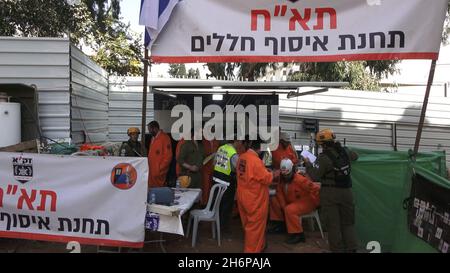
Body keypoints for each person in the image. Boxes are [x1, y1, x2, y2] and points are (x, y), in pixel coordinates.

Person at [304, 128, 359, 252]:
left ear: (322, 144)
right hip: (347, 192)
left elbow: (313, 176)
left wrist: (307, 163)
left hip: (330, 194)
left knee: (333, 225)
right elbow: (356, 156)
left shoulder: (323, 158)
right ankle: (352, 248)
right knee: (348, 223)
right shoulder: (345, 151)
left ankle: (336, 249)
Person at [236, 136, 279, 253]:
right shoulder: (256, 161)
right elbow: (267, 179)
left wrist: (264, 171)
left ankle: (260, 246)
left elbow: (251, 174)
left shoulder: (242, 157)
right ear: (260, 148)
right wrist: (274, 173)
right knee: (254, 228)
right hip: (254, 199)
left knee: (248, 225)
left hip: (242, 195)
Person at [268, 158, 320, 244]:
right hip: (293, 202)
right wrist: (283, 205)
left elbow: (315, 189)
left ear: (292, 170)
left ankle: (298, 234)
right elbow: (279, 192)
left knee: (289, 210)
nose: (286, 177)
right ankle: (281, 224)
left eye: (287, 175)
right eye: (284, 175)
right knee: (275, 201)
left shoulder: (300, 180)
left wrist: (317, 202)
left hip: (307, 202)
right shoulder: (282, 179)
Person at [212, 137, 241, 235]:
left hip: (216, 181)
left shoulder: (221, 148)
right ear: (235, 141)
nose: (240, 144)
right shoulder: (233, 154)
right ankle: (222, 229)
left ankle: (215, 227)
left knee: (217, 205)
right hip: (227, 184)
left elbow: (214, 163)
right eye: (239, 141)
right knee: (226, 207)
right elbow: (238, 169)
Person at [147, 121, 173, 188]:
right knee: (152, 192)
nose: (149, 132)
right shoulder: (153, 138)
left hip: (158, 173)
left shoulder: (165, 138)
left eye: (150, 130)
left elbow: (168, 156)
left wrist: (159, 169)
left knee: (159, 191)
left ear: (155, 128)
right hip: (151, 171)